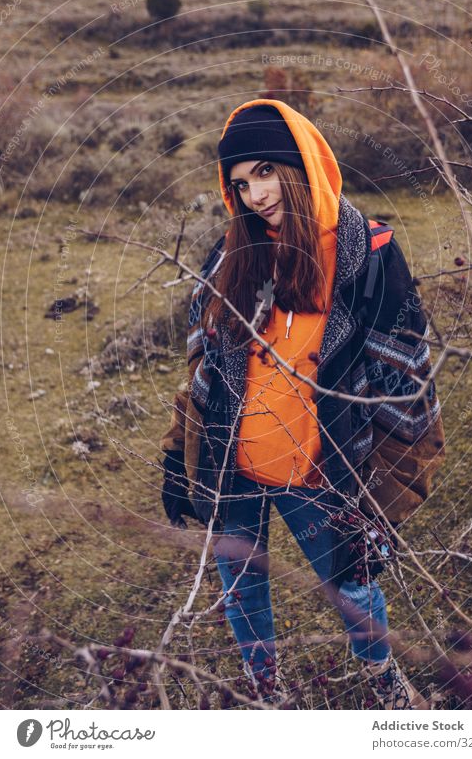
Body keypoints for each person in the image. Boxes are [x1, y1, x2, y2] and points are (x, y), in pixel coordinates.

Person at [159, 99, 445, 709]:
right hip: (232, 463)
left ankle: (382, 680)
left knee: (354, 585)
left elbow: (403, 376)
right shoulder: (233, 252)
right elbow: (205, 366)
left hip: (320, 472)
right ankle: (267, 690)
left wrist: (385, 495)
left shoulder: (367, 253)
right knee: (240, 587)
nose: (255, 195)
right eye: (240, 183)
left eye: (265, 171)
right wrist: (175, 453)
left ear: (303, 164)